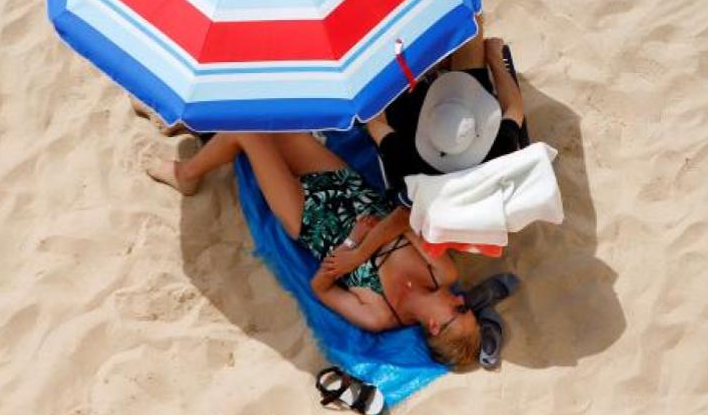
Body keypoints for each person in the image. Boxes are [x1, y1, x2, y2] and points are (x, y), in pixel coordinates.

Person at [145, 132, 481, 368]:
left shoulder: (381, 316)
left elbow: (320, 289)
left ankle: (186, 174)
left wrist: (352, 242)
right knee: (270, 119)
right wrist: (360, 255)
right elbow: (405, 216)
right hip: (344, 183)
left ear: (435, 326)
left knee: (248, 132)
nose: (464, 302)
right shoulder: (441, 274)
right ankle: (193, 125)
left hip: (307, 217)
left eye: (461, 313)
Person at [367, 22, 527, 206]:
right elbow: (514, 109)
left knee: (393, 49)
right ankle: (437, 62)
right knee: (469, 22)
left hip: (412, 115)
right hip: (461, 107)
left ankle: (427, 64)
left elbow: (375, 123)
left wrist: (392, 79)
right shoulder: (493, 155)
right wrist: (494, 57)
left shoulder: (408, 166)